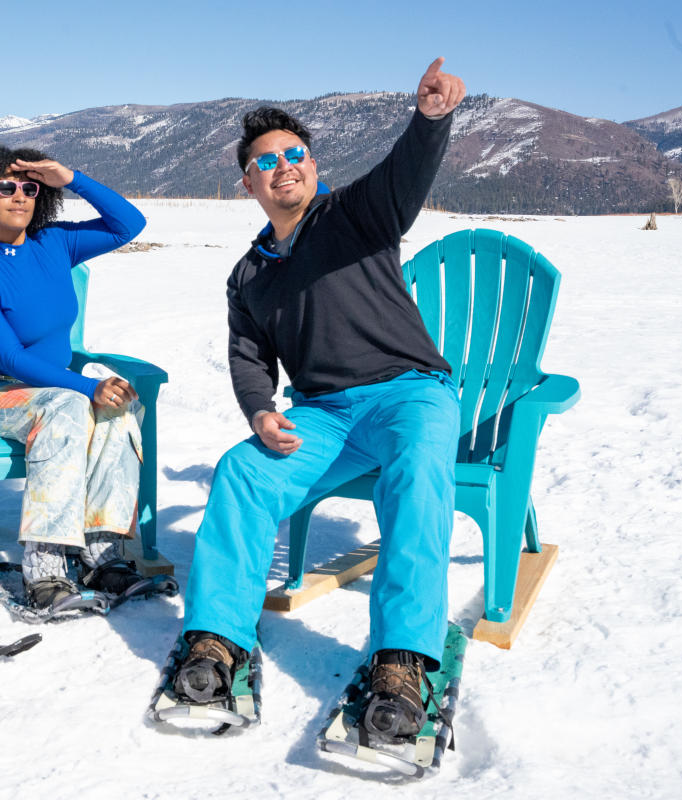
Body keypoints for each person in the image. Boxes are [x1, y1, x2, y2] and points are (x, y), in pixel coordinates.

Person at [175, 58, 467, 738]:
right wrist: (260, 410)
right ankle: (218, 636)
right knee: (242, 471)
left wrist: (429, 121)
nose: (284, 166)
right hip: (324, 415)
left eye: (295, 154)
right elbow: (249, 355)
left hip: (407, 396)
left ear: (312, 164)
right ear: (248, 182)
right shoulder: (249, 274)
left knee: (419, 468)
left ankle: (403, 660)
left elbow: (403, 176)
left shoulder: (354, 216)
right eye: (266, 160)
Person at [0, 143, 150, 610]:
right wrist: (88, 387)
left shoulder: (54, 243)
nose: (20, 196)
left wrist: (70, 179)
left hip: (55, 389)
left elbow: (129, 224)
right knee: (72, 404)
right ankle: (45, 569)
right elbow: (11, 358)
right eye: (5, 187)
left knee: (117, 409)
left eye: (29, 188)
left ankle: (101, 555)